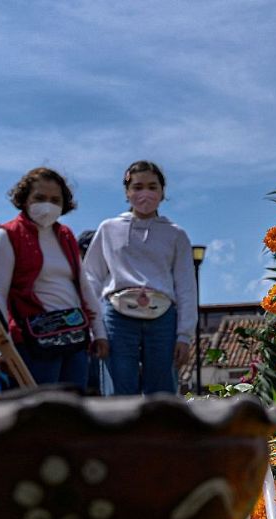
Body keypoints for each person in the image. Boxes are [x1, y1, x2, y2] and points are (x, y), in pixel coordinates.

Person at [82, 160, 197, 396]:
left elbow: (186, 286)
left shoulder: (176, 234)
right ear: (127, 192)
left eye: (152, 187)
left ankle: (161, 433)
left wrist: (184, 335)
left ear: (162, 192)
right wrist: (95, 330)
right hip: (117, 315)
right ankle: (121, 433)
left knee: (162, 391)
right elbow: (91, 278)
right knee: (119, 390)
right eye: (137, 187)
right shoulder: (108, 228)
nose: (145, 193)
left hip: (163, 317)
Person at [0, 167, 107, 387]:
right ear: (24, 199)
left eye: (55, 200)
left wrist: (99, 332)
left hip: (74, 337)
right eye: (40, 198)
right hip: (33, 342)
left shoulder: (66, 235)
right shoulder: (7, 235)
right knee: (40, 411)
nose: (47, 205)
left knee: (75, 408)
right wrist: (3, 344)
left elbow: (83, 285)